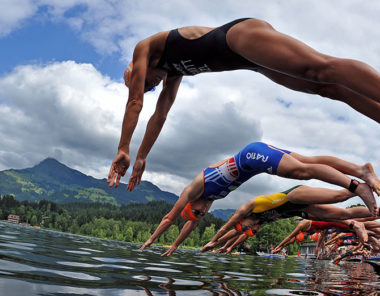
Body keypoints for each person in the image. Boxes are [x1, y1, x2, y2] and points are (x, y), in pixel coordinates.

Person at [107, 18, 380, 191]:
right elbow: (161, 114)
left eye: (145, 83)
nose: (152, 86)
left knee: (319, 69)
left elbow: (135, 102)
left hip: (239, 36)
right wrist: (141, 156)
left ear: (135, 71)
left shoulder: (146, 47)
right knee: (326, 89)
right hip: (252, 63)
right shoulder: (173, 74)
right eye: (150, 87)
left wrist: (123, 147)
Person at [140, 141, 378, 256]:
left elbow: (171, 218)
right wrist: (174, 245)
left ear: (192, 204)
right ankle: (360, 170)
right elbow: (192, 225)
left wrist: (151, 239)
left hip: (253, 156)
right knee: (309, 162)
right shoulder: (209, 199)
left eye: (199, 212)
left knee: (302, 170)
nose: (203, 213)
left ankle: (355, 185)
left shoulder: (195, 189)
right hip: (260, 164)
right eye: (201, 215)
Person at [201, 185, 375, 254]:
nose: (249, 230)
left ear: (243, 219)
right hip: (300, 209)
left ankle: (360, 187)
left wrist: (213, 241)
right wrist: (225, 246)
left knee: (340, 196)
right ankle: (371, 213)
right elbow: (238, 234)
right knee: (342, 214)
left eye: (245, 227)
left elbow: (228, 228)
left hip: (296, 196)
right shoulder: (260, 222)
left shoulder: (250, 208)